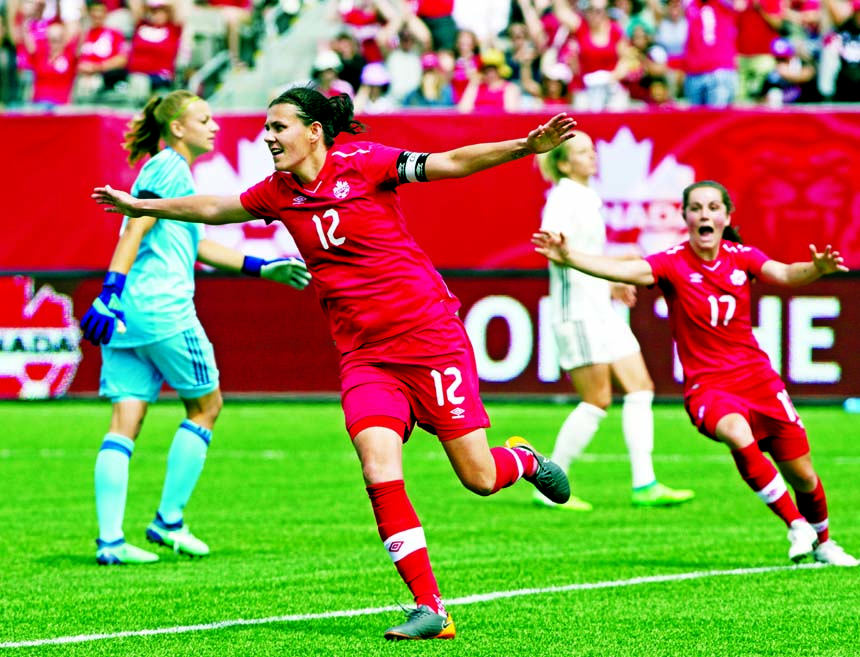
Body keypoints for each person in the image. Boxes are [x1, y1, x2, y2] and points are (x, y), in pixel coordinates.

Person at [92, 87, 576, 640]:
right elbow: (212, 208)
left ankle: (524, 460)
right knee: (377, 468)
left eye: (278, 127)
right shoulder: (277, 193)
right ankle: (430, 607)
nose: (267, 137)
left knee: (480, 477)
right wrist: (142, 206)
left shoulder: (367, 165)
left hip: (429, 340)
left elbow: (452, 162)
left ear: (314, 130)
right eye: (266, 128)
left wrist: (525, 146)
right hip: (365, 356)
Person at [532, 180, 859, 567]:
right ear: (685, 217)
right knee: (736, 432)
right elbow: (627, 270)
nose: (705, 214)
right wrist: (570, 257)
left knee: (803, 476)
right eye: (696, 208)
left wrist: (816, 269)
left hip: (759, 381)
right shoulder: (672, 262)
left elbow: (786, 274)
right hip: (709, 388)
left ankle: (823, 543)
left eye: (713, 208)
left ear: (726, 217)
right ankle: (795, 525)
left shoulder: (742, 257)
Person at [82, 89, 312, 567]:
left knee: (126, 420)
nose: (214, 126)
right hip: (163, 309)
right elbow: (136, 226)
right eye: (203, 119)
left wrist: (261, 267)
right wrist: (108, 285)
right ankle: (168, 521)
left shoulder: (166, 172)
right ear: (178, 128)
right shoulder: (170, 168)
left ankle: (110, 542)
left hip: (125, 315)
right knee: (207, 406)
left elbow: (198, 245)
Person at [535, 132, 694, 512]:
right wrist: (607, 273)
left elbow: (585, 254)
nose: (593, 156)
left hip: (599, 309)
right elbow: (556, 251)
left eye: (591, 150)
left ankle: (645, 484)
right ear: (562, 163)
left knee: (640, 388)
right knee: (597, 400)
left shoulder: (587, 197)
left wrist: (611, 280)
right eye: (582, 152)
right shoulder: (562, 198)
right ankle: (546, 487)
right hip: (577, 313)